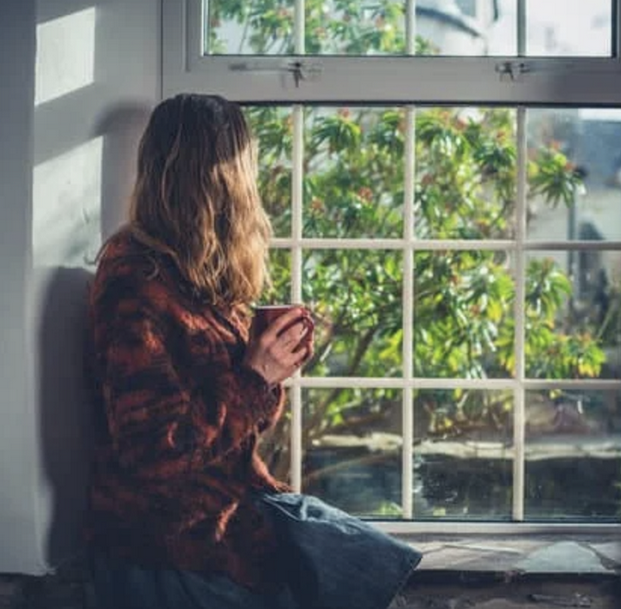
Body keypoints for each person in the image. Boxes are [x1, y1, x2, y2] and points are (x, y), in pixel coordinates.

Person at [85, 93, 420, 609]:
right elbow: (154, 452)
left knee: (377, 565)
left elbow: (239, 423)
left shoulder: (194, 276)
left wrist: (268, 369)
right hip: (168, 544)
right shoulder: (136, 279)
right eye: (245, 165)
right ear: (220, 174)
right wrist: (254, 377)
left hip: (228, 515)